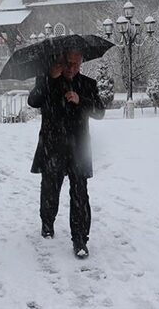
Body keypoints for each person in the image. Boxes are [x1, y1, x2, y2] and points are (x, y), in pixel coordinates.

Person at [27, 49, 105, 259]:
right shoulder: (47, 80)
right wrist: (48, 80)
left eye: (76, 64)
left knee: (80, 193)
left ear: (81, 63)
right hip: (52, 147)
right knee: (50, 189)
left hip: (78, 147)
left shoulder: (87, 84)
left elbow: (100, 112)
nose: (71, 68)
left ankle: (80, 239)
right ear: (60, 62)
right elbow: (33, 101)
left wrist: (81, 100)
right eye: (68, 63)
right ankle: (47, 223)